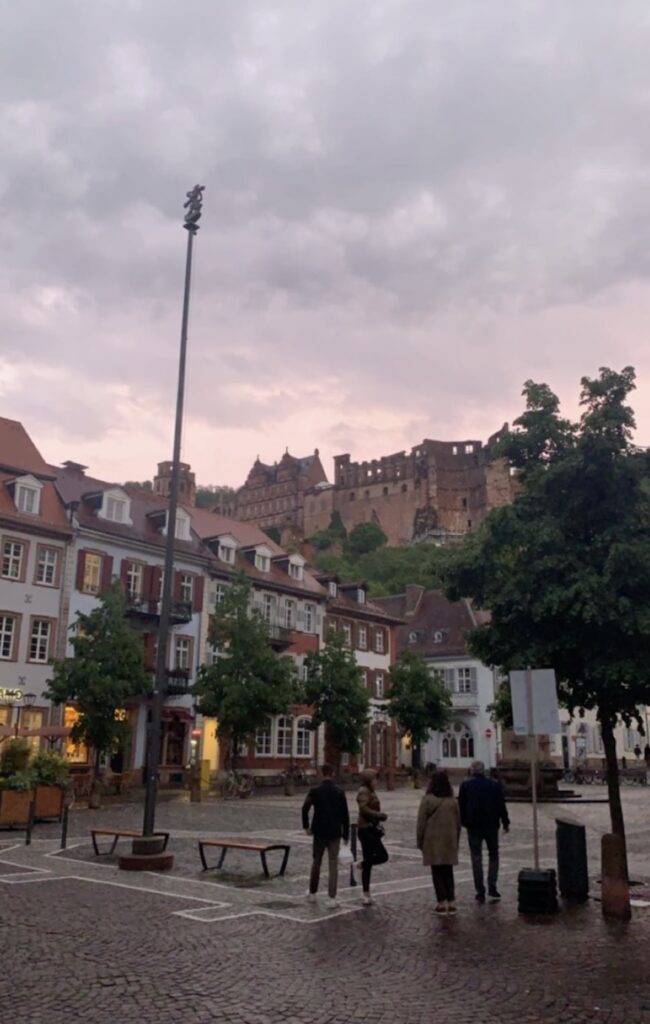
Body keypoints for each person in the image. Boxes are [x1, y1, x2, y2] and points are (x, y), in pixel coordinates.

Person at [458, 760, 510, 904]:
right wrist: (505, 821)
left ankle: (480, 890)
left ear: (472, 771)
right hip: (491, 825)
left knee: (476, 857)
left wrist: (463, 821)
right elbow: (501, 804)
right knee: (494, 855)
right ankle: (492, 886)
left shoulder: (466, 785)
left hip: (473, 825)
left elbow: (460, 805)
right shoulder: (494, 785)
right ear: (483, 771)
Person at [302, 763, 350, 908]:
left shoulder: (315, 791)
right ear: (333, 774)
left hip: (319, 831)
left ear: (322, 773)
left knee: (316, 861)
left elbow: (305, 808)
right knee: (333, 864)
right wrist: (346, 834)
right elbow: (345, 814)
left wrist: (306, 826)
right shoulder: (339, 792)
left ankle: (312, 892)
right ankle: (332, 897)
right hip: (335, 831)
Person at [416, 770, 461, 916]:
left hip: (432, 839)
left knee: (437, 871)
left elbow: (421, 823)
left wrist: (420, 840)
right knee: (448, 870)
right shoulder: (453, 801)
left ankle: (441, 903)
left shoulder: (428, 800)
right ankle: (452, 901)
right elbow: (458, 823)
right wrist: (456, 839)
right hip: (449, 839)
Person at [356, 768, 388, 906]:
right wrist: (377, 815)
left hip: (371, 828)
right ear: (369, 780)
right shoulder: (364, 791)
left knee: (370, 859)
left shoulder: (371, 791)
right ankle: (361, 865)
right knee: (382, 856)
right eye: (375, 779)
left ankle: (366, 893)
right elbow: (363, 808)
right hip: (365, 829)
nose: (376, 782)